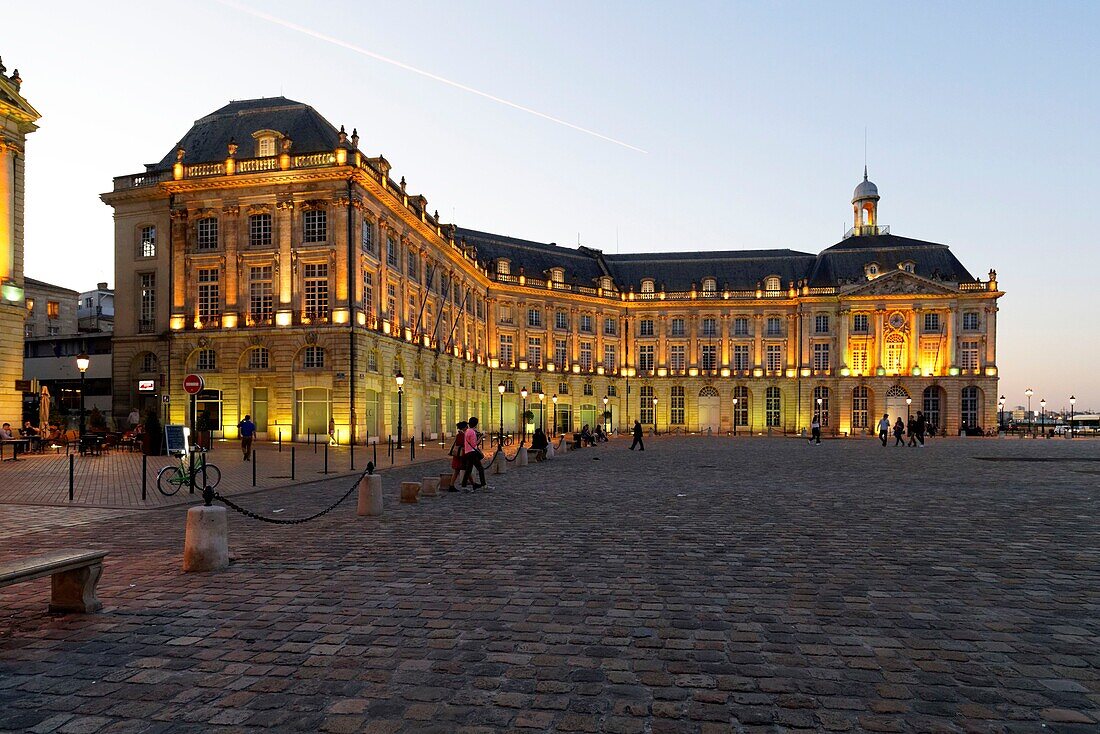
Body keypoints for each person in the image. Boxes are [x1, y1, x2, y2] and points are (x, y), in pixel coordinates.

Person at [461, 416, 486, 491]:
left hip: (467, 452)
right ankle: (484, 485)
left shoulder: (467, 431)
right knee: (480, 469)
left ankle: (464, 486)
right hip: (472, 452)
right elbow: (474, 444)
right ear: (476, 424)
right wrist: (481, 437)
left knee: (468, 469)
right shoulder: (472, 432)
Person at [447, 421, 467, 492]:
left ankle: (473, 483)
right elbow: (462, 444)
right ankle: (451, 485)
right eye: (466, 427)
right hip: (460, 455)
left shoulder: (460, 434)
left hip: (459, 454)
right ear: (464, 427)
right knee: (462, 470)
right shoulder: (461, 435)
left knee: (464, 469)